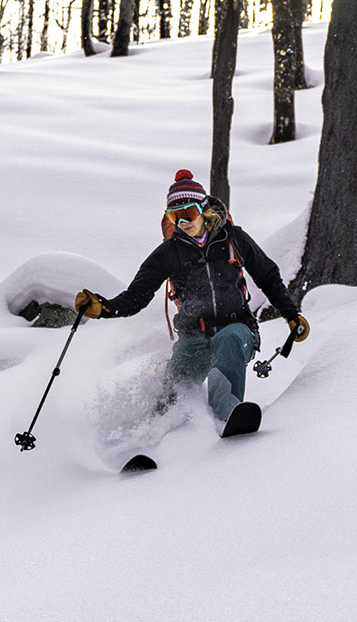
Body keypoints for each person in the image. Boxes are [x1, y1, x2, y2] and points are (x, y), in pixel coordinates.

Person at [75, 170, 310, 436]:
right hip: (194, 338)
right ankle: (146, 438)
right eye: (175, 216)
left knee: (228, 340)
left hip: (239, 330)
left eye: (187, 213)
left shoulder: (233, 239)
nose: (183, 222)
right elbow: (136, 296)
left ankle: (226, 418)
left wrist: (291, 315)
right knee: (175, 387)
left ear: (203, 209)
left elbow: (267, 275)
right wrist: (104, 308)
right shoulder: (168, 253)